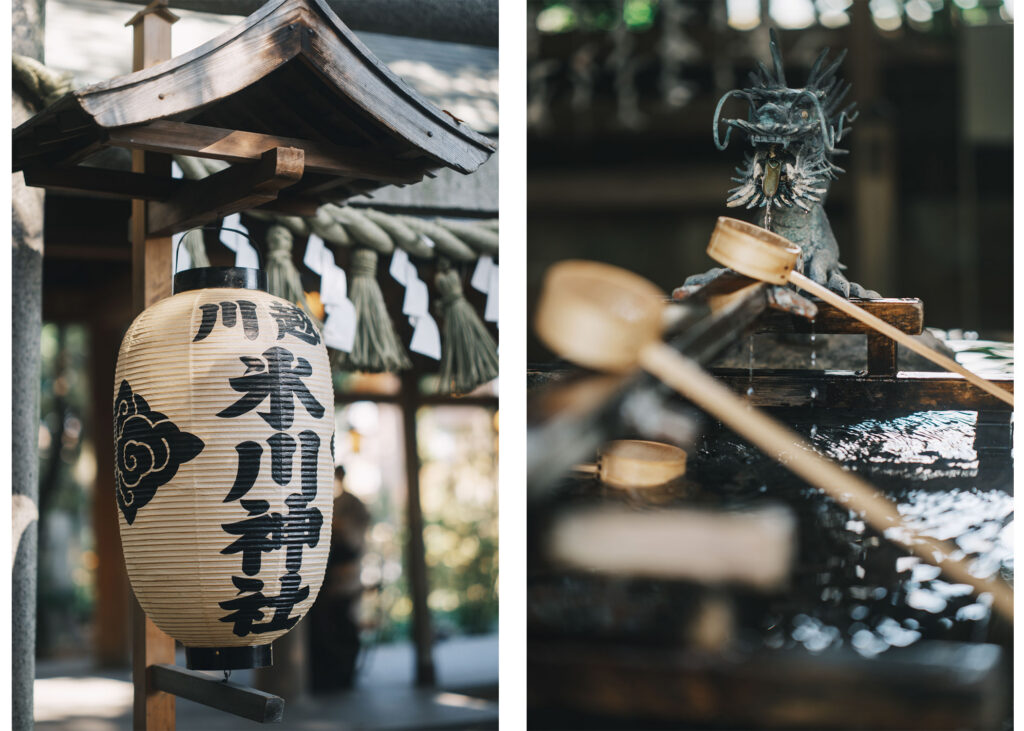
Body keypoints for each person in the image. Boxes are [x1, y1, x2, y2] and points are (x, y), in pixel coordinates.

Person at [308, 465, 371, 691]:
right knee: (325, 630)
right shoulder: (329, 501)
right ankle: (328, 676)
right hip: (325, 579)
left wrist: (339, 528)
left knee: (343, 628)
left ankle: (343, 676)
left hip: (345, 577)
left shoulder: (353, 505)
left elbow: (354, 540)